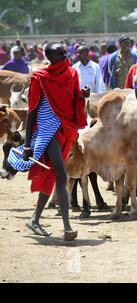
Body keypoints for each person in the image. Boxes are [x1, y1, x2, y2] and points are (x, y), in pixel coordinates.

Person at [6, 43, 89, 241]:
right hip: (47, 129)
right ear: (50, 57)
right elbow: (32, 109)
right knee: (61, 175)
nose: (65, 54)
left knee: (52, 175)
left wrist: (83, 97)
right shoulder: (40, 77)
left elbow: (74, 99)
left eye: (64, 51)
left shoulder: (72, 73)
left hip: (66, 129)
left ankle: (35, 219)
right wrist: (27, 145)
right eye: (60, 53)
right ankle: (68, 227)